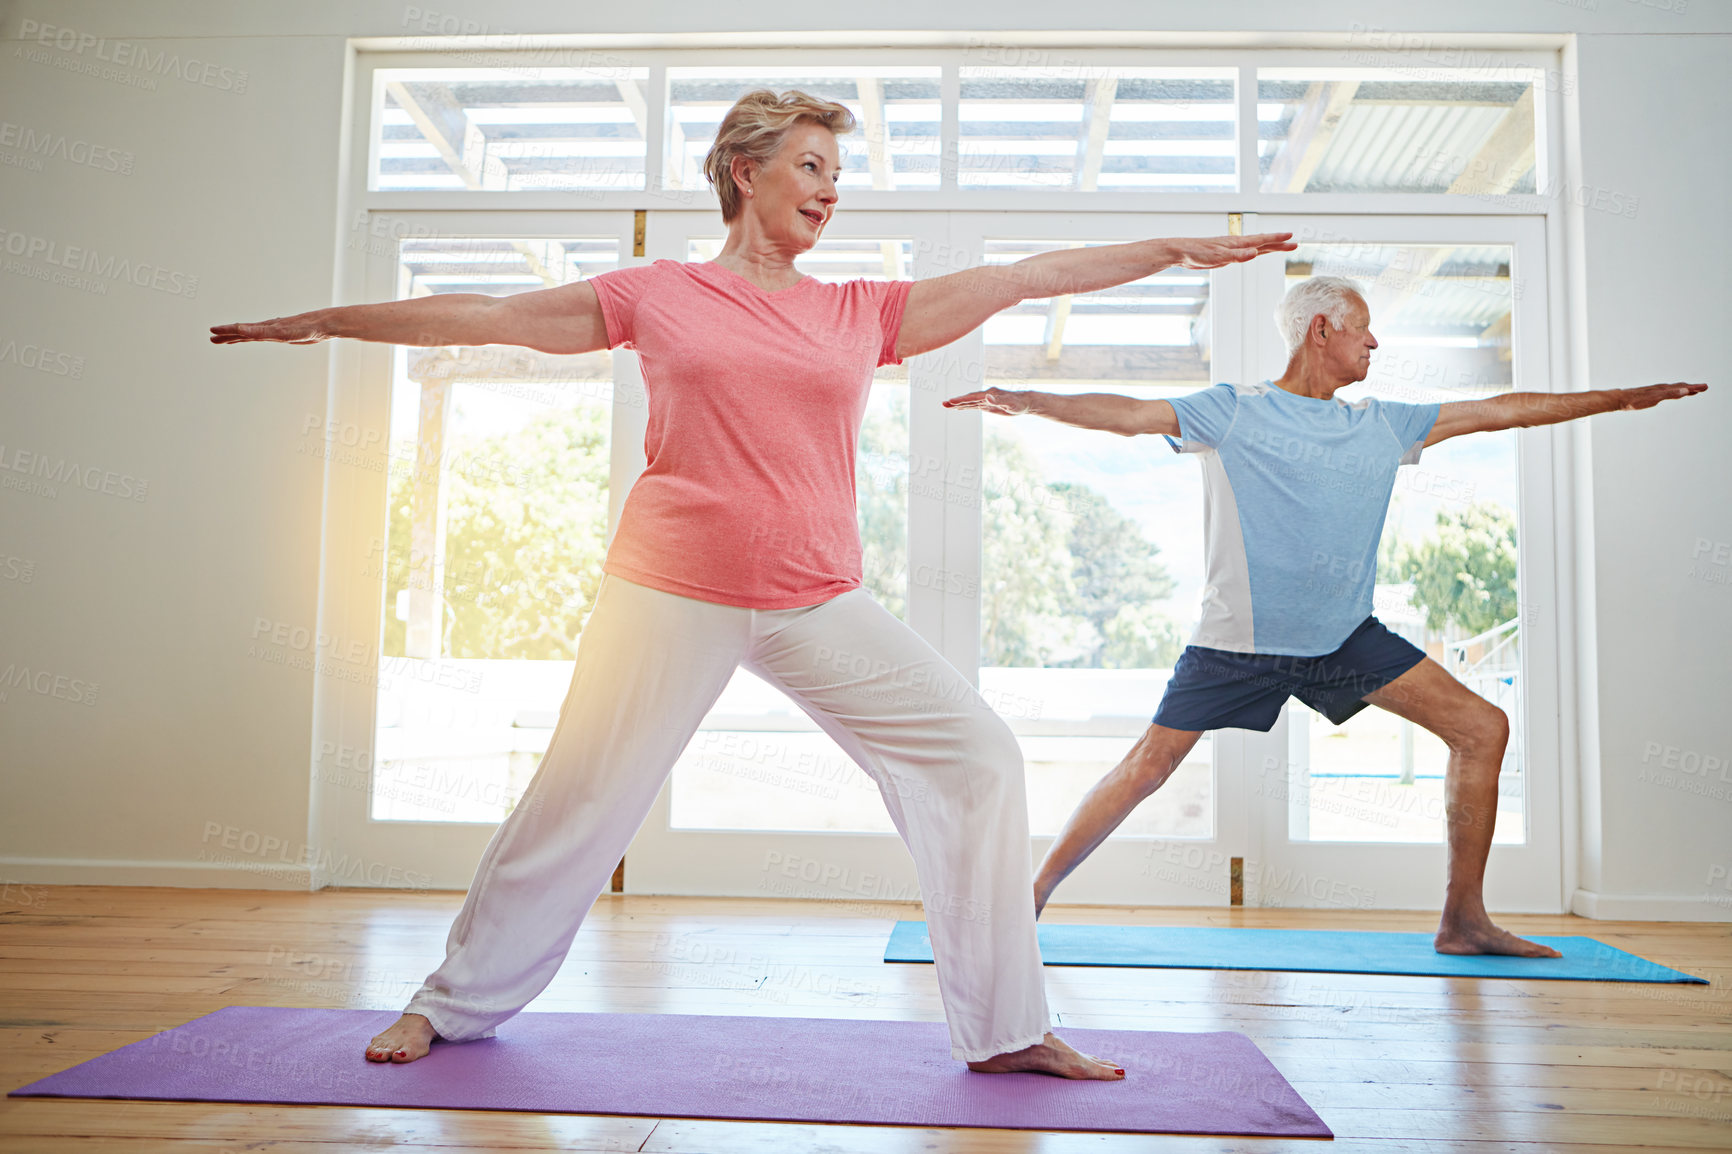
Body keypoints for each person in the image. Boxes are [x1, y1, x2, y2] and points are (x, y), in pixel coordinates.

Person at [211, 88, 1294, 1076]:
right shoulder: (659, 293)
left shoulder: (860, 311)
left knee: (975, 755)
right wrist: (327, 320)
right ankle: (449, 1004)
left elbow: (1024, 278)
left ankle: (1008, 1028)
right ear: (745, 170)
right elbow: (495, 314)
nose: (831, 190)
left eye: (836, 173)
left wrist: (1165, 248)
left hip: (815, 595)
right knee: (580, 795)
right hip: (668, 589)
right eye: (812, 167)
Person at [945, 274, 1705, 957]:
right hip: (1238, 644)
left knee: (1483, 728)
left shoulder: (1382, 424)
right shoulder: (1232, 411)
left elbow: (1501, 409)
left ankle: (1464, 919)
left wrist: (1619, 398)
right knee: (1149, 766)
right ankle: (1027, 899)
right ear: (1321, 330)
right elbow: (1132, 413)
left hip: (1343, 638)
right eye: (1362, 328)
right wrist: (1033, 399)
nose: (1374, 341)